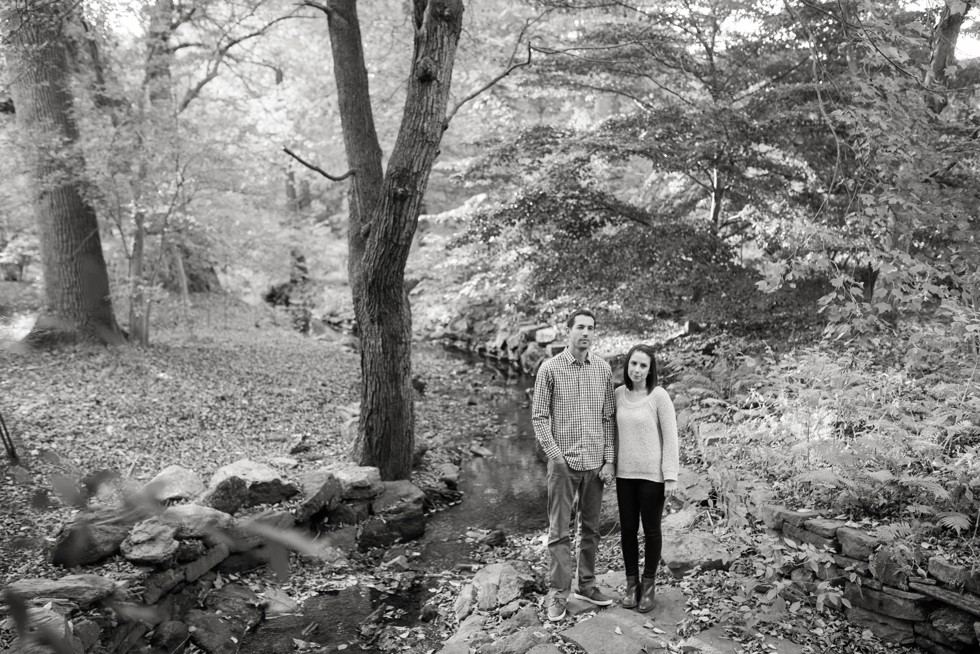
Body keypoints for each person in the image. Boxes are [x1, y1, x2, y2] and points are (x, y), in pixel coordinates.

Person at [532, 308, 617, 622]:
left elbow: (608, 419)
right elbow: (540, 417)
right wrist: (556, 456)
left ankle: (587, 585)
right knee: (559, 532)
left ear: (595, 333)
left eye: (590, 328)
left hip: (595, 465)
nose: (585, 333)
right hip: (563, 463)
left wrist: (609, 460)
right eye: (580, 327)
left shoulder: (604, 370)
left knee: (592, 529)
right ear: (567, 331)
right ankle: (558, 594)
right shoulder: (550, 369)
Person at [615, 344, 679, 613]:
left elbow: (671, 437)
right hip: (624, 474)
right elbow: (612, 433)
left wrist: (671, 476)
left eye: (643, 365)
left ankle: (649, 584)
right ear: (627, 365)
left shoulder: (659, 396)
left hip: (652, 476)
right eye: (633, 364)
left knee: (651, 531)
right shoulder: (618, 394)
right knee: (628, 531)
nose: (637, 369)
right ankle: (632, 585)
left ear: (650, 370)